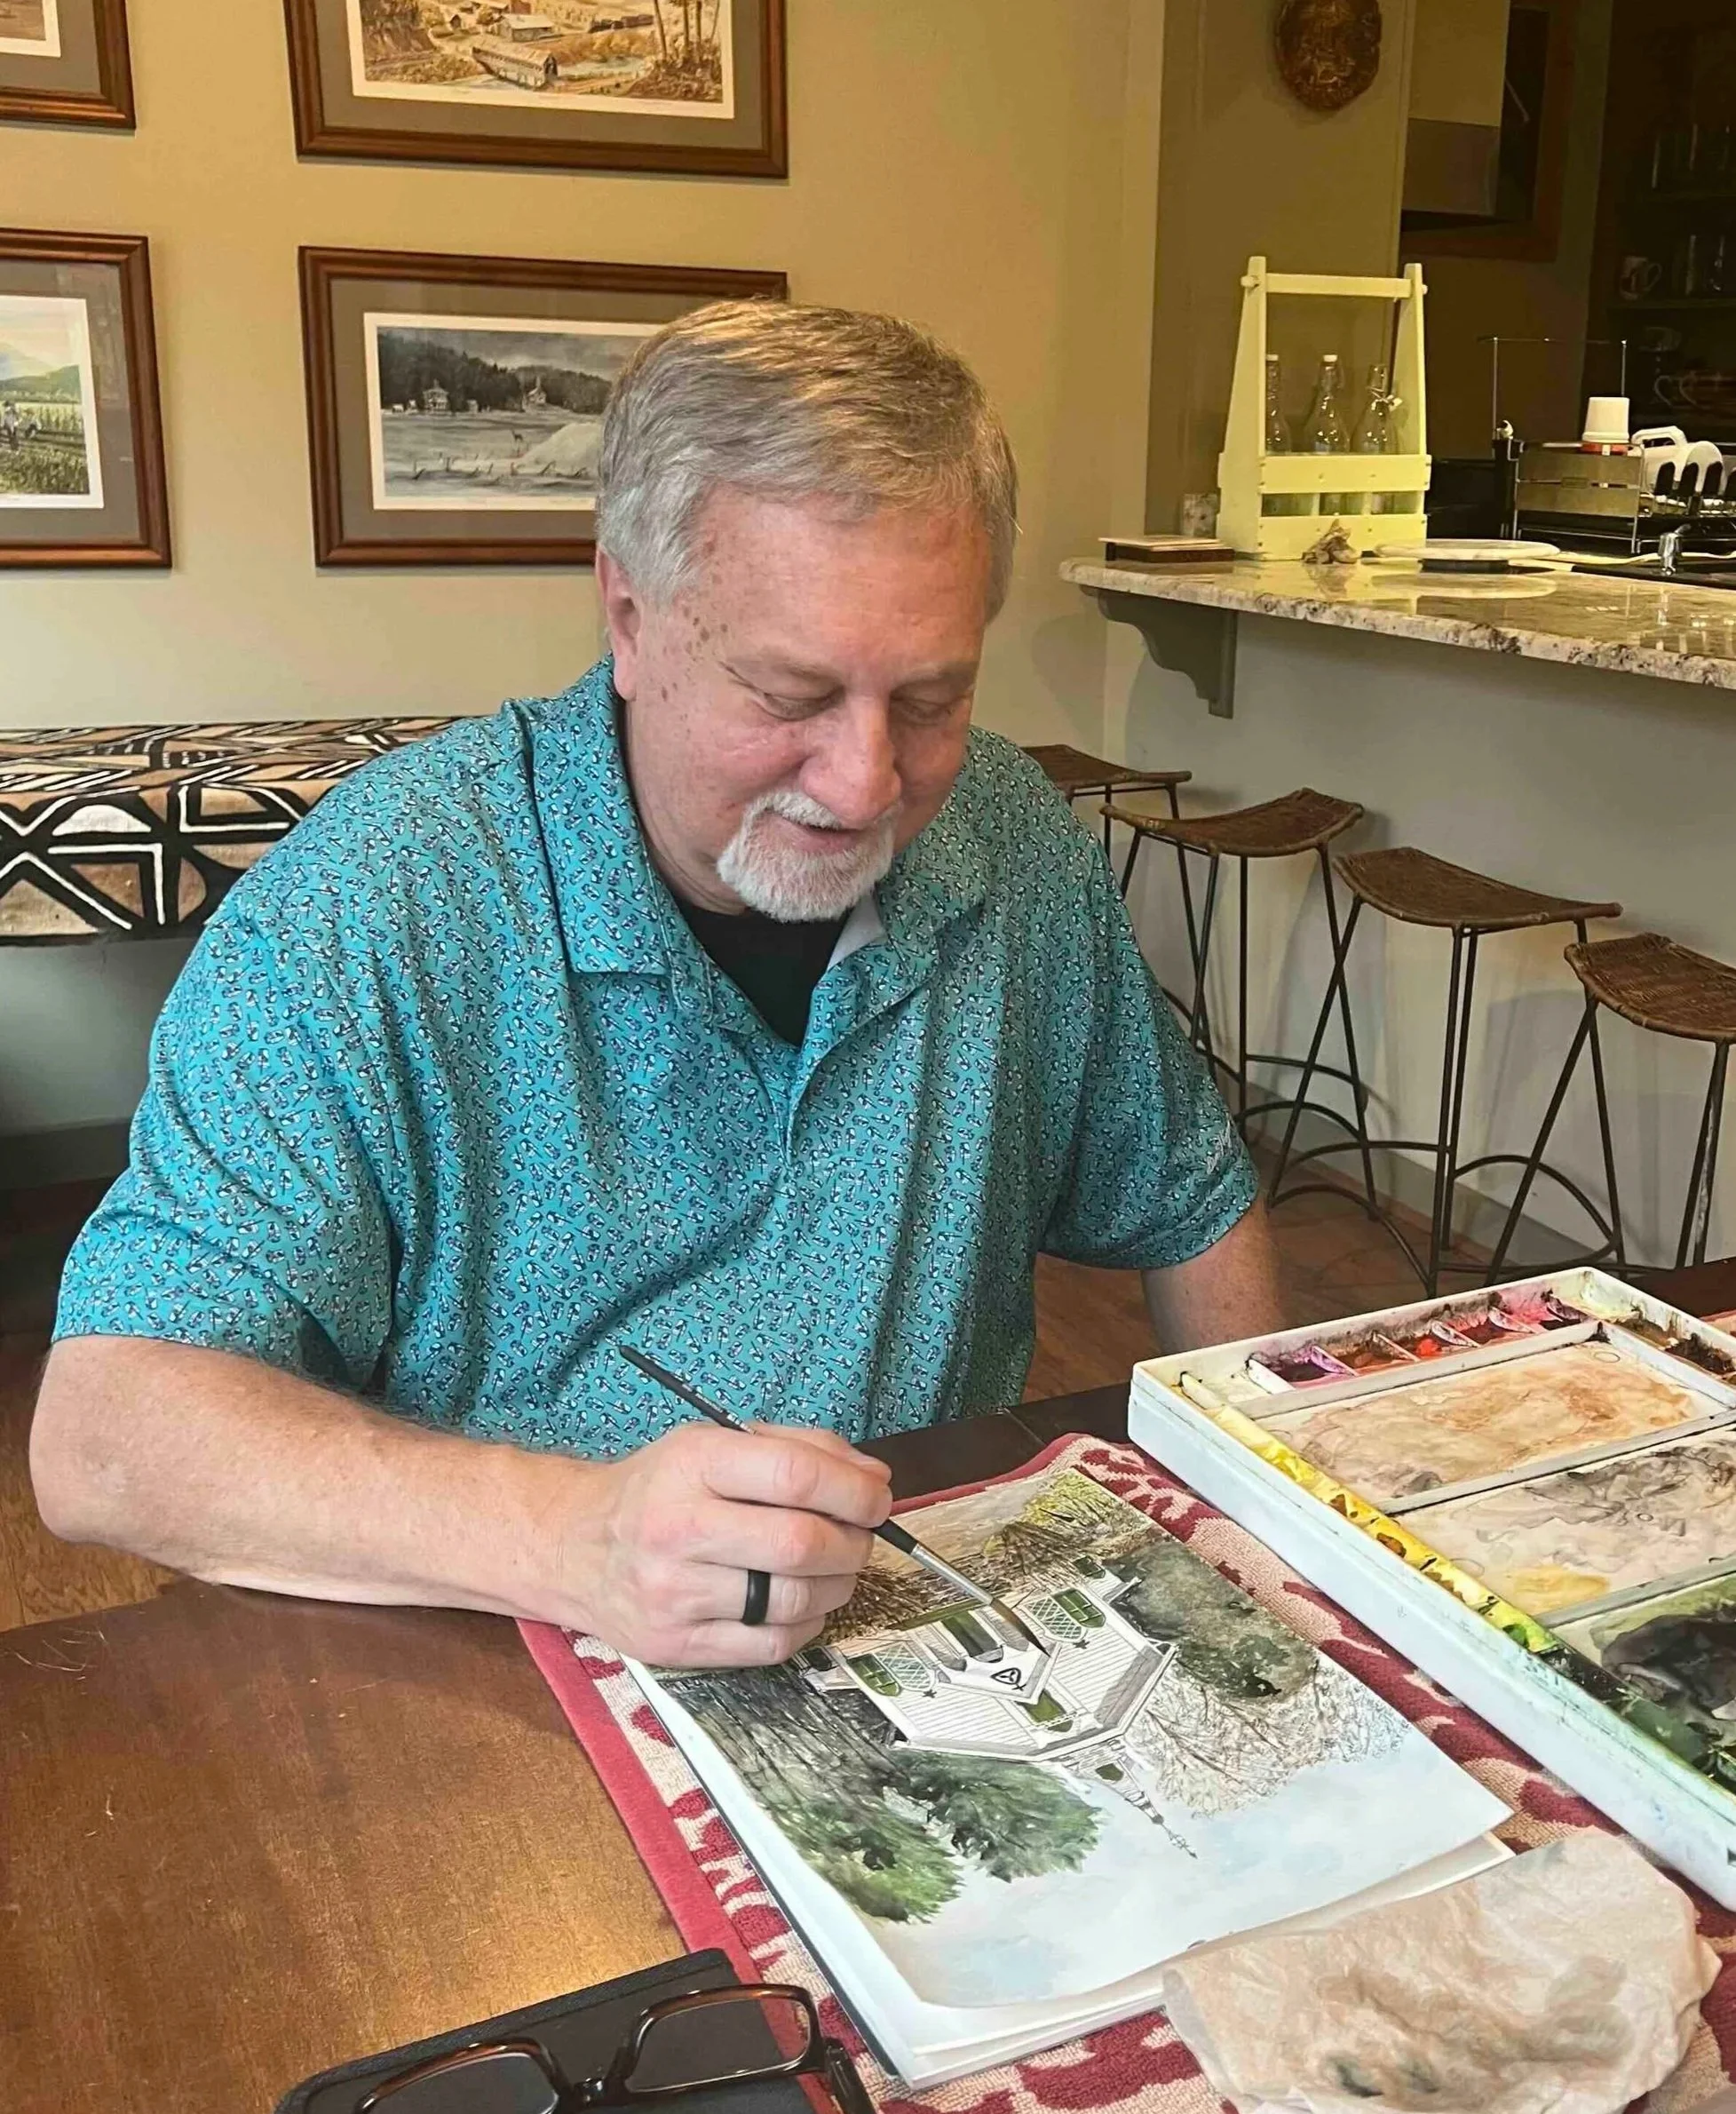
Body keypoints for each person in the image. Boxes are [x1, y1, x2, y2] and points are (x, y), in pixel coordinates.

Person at [32, 302, 1284, 1670]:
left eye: (929, 700)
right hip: (494, 1654)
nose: (865, 783)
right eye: (789, 694)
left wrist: (1270, 1533)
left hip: (914, 1629)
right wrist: (576, 1538)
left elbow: (1189, 1199)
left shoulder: (1008, 836)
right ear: (628, 618)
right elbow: (106, 1432)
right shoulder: (373, 901)